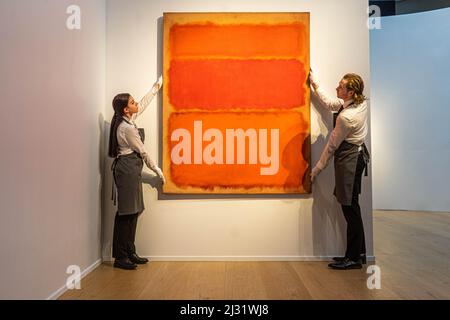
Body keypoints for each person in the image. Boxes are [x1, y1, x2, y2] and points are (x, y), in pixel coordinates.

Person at [309, 71, 370, 270]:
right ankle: (358, 254)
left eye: (341, 87)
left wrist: (316, 169)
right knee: (352, 206)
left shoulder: (347, 118)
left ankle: (353, 258)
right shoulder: (359, 103)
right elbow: (332, 105)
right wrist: (315, 83)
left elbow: (332, 146)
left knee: (349, 208)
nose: (337, 88)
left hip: (350, 160)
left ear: (351, 92)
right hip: (355, 156)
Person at [108, 77, 165, 270]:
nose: (136, 104)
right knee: (126, 213)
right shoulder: (126, 128)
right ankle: (120, 257)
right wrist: (157, 170)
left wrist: (154, 89)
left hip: (132, 169)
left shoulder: (128, 121)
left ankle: (130, 251)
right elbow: (143, 152)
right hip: (126, 170)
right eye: (132, 103)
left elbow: (143, 104)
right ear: (126, 109)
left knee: (134, 211)